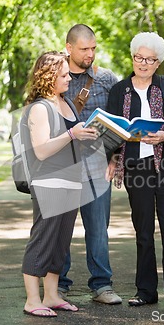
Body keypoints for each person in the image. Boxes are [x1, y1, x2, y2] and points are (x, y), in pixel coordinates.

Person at [106, 32, 164, 312]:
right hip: (135, 166)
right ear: (132, 58)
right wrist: (113, 157)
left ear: (158, 62)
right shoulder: (119, 91)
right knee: (143, 231)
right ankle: (145, 291)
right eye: (138, 57)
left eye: (149, 59)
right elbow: (112, 130)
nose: (143, 63)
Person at [21, 51, 98, 318]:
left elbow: (71, 140)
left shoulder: (68, 104)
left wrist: (86, 134)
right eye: (64, 75)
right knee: (43, 240)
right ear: (49, 77)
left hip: (71, 181)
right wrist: (71, 133)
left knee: (61, 242)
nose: (69, 79)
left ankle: (52, 295)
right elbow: (41, 150)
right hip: (48, 182)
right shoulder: (40, 108)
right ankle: (32, 299)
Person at [59, 24, 122, 305]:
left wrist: (116, 157)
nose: (90, 54)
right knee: (60, 228)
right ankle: (58, 283)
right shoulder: (55, 77)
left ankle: (102, 285)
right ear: (69, 48)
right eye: (84, 49)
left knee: (98, 228)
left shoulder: (106, 79)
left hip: (97, 166)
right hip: (62, 166)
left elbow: (121, 123)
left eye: (93, 48)